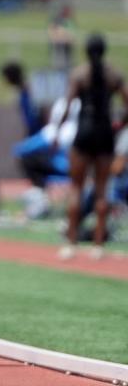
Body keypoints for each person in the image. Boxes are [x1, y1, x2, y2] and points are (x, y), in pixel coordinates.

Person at [55, 34, 128, 260]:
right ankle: (98, 246)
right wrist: (119, 125)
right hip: (105, 132)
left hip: (84, 131)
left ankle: (71, 243)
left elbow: (67, 105)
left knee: (76, 187)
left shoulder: (79, 74)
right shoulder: (114, 74)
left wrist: (57, 130)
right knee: (101, 189)